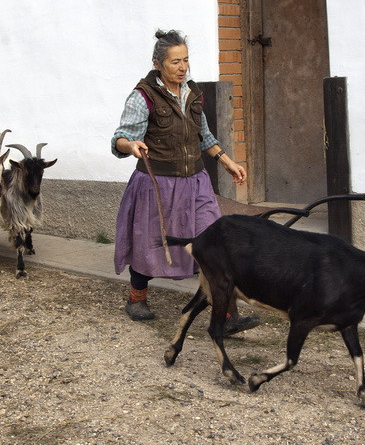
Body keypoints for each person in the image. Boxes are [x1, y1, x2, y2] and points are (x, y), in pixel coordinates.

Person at [111, 29, 260, 335]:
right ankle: (137, 298)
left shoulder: (192, 93)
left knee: (215, 244)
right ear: (158, 64)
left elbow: (204, 136)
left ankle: (228, 316)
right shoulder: (142, 97)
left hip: (196, 183)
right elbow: (120, 137)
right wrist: (132, 145)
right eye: (175, 62)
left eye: (186, 60)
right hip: (158, 184)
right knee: (150, 242)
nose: (182, 67)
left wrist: (229, 163)